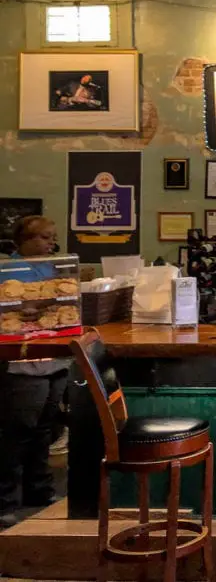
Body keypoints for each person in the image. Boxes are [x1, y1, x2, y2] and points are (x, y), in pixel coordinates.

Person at [0, 216, 69, 529]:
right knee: (18, 433)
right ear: (23, 241)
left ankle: (39, 492)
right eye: (43, 238)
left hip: (55, 355)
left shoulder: (55, 267)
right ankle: (5, 501)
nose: (50, 243)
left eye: (52, 238)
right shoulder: (8, 270)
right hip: (23, 361)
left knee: (45, 428)